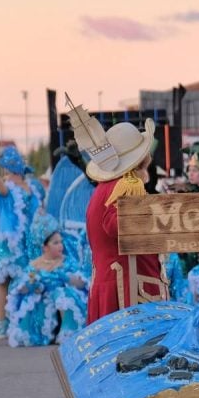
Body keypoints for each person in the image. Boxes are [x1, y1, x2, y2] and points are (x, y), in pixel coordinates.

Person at [73, 109, 163, 323]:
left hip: (110, 281)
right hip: (127, 288)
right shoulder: (127, 185)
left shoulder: (104, 189)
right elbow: (115, 226)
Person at [0, 145, 43, 335]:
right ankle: (14, 320)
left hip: (17, 242)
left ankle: (6, 322)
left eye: (5, 168)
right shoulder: (30, 186)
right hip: (23, 239)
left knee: (5, 283)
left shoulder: (17, 186)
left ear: (8, 168)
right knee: (18, 280)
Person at [6, 216, 89, 347]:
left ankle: (67, 332)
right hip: (43, 302)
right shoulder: (35, 264)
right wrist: (33, 285)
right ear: (45, 247)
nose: (60, 246)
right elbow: (20, 289)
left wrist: (66, 277)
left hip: (61, 301)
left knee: (63, 294)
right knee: (33, 300)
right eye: (55, 243)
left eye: (61, 242)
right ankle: (41, 333)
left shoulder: (67, 261)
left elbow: (82, 283)